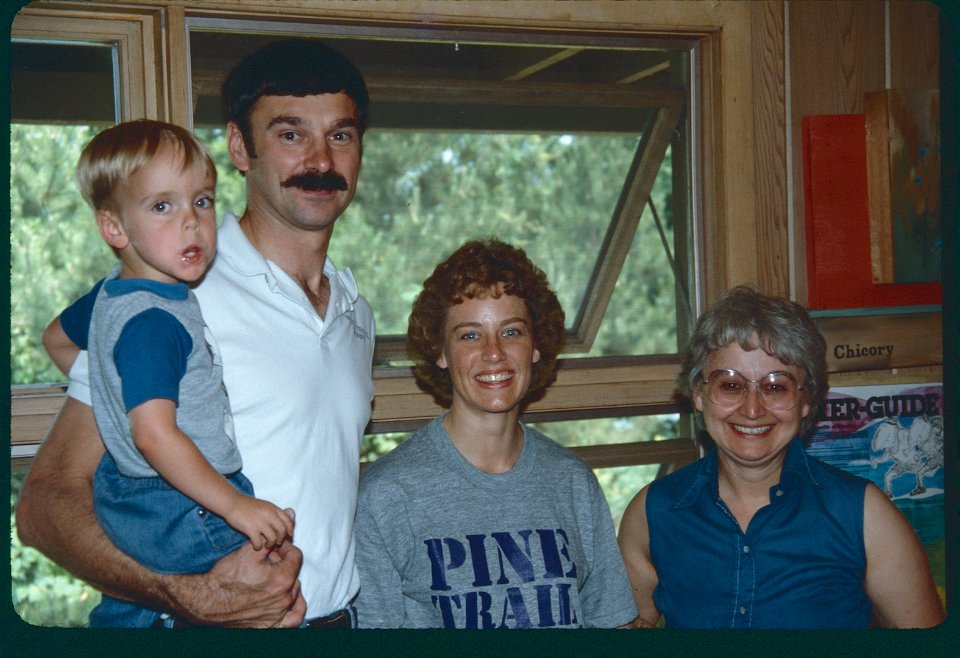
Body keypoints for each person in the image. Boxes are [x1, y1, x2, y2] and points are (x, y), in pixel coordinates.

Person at [16, 39, 375, 628]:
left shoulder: (356, 311)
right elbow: (43, 507)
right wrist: (191, 597)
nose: (320, 158)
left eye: (340, 135)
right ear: (240, 147)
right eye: (290, 134)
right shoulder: (169, 294)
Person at [41, 119, 296, 627]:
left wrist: (113, 393)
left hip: (126, 492)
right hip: (178, 499)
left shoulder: (110, 293)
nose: (192, 223)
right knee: (274, 578)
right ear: (114, 227)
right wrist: (235, 507)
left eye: (201, 201)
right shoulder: (155, 322)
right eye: (162, 206)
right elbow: (156, 437)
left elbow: (57, 339)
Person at [617, 285, 945, 629]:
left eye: (776, 386)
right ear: (698, 393)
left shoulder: (864, 514)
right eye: (730, 384)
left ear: (807, 402)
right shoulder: (652, 512)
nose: (753, 409)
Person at [353, 239, 638, 629]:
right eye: (470, 335)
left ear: (535, 346)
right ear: (439, 351)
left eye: (512, 332)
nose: (493, 353)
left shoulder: (572, 483)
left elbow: (613, 625)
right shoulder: (387, 495)